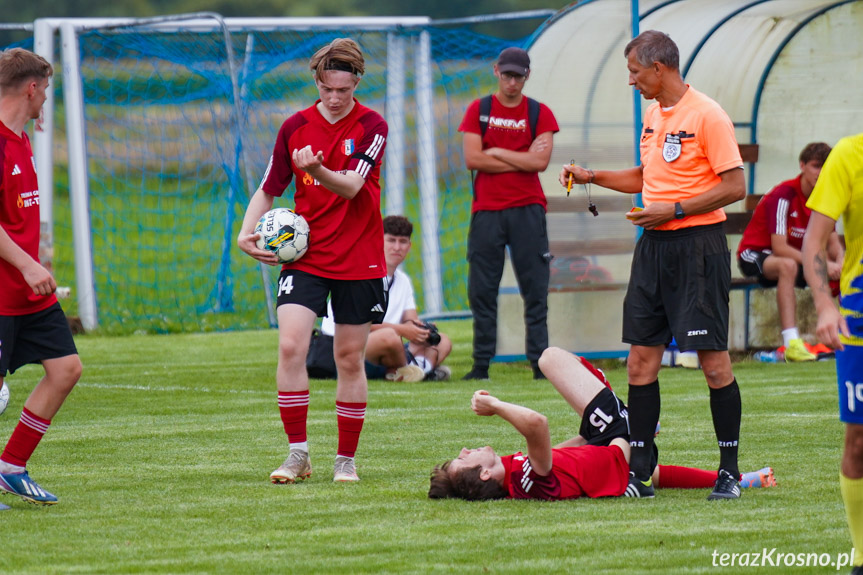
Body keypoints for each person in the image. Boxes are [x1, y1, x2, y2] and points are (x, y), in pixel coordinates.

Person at [559, 30, 746, 500]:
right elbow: (646, 177)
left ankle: (729, 472)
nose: (630, 80)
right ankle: (639, 472)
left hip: (698, 248)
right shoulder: (652, 113)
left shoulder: (707, 114)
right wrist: (592, 176)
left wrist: (677, 209)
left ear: (659, 68)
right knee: (640, 361)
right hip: (653, 249)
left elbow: (736, 185)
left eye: (634, 72)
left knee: (714, 364)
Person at [237, 38, 388, 485]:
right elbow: (269, 188)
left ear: (356, 82)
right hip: (306, 257)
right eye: (327, 90)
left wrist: (318, 170)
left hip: (360, 257)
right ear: (317, 83)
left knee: (347, 357)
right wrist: (246, 233)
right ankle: (297, 454)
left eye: (343, 90)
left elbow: (352, 187)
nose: (335, 99)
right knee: (290, 347)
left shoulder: (372, 124)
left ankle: (346, 460)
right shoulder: (295, 127)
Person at [428, 347, 775, 500]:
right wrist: (495, 405)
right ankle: (631, 420)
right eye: (464, 458)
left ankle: (742, 480)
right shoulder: (525, 477)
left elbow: (565, 455)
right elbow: (537, 424)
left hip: (618, 453)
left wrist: (586, 433)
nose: (464, 449)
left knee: (655, 473)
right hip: (619, 443)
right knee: (550, 358)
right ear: (485, 474)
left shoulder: (518, 473)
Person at [0, 48, 83, 507]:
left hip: (28, 293)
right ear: (32, 88)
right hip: (4, 291)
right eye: (46, 91)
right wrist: (30, 264)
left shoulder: (20, 136)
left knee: (66, 369)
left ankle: (10, 467)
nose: (47, 100)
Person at [458, 47, 559, 381]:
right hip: (487, 211)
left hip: (528, 209)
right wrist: (519, 155)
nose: (512, 82)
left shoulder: (539, 113)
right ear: (495, 71)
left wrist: (497, 150)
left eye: (518, 75)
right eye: (507, 74)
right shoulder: (479, 109)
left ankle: (540, 364)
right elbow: (473, 158)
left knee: (535, 288)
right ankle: (481, 364)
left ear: (527, 76)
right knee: (482, 290)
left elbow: (539, 163)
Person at [802, 132, 863, 575]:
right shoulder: (849, 154)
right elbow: (813, 243)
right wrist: (825, 304)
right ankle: (862, 554)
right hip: (859, 319)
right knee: (858, 442)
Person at [315, 215, 453, 382]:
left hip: (386, 347)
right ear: (378, 242)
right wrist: (402, 330)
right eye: (391, 240)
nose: (397, 247)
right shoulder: (360, 273)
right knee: (389, 337)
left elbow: (410, 319)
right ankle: (413, 371)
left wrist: (421, 330)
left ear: (409, 246)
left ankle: (415, 371)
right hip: (341, 344)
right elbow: (357, 325)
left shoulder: (403, 280)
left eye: (402, 242)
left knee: (443, 341)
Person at [738, 142, 843, 362]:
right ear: (802, 165)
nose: (821, 172)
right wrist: (824, 264)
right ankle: (791, 343)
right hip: (756, 254)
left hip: (800, 259)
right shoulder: (784, 195)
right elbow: (780, 248)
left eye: (826, 166)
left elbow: (833, 242)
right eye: (816, 166)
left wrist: (841, 264)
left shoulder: (825, 195)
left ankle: (846, 337)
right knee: (788, 265)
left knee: (847, 271)